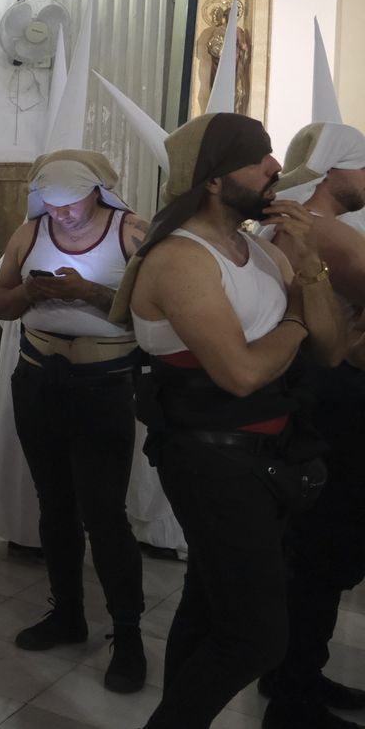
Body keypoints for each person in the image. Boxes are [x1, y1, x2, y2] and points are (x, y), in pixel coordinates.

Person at [116, 112, 344, 729]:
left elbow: (330, 347)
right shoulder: (181, 260)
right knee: (256, 637)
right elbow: (241, 373)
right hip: (212, 460)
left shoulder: (258, 251)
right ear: (213, 180)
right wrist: (295, 320)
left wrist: (308, 260)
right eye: (260, 157)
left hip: (262, 455)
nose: (276, 169)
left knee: (209, 608)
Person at [0, 150, 149, 693]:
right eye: (53, 207)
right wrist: (30, 291)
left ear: (97, 193)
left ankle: (127, 635)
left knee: (104, 513)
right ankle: (68, 613)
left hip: (104, 385)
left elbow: (159, 310)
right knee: (53, 503)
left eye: (73, 205)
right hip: (40, 378)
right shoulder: (30, 233)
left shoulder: (130, 232)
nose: (65, 216)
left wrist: (93, 294)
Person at [259, 121, 365, 729]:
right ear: (335, 172)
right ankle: (295, 691)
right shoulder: (325, 232)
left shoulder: (288, 218)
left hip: (304, 394)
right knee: (327, 547)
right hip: (334, 396)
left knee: (305, 549)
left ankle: (292, 671)